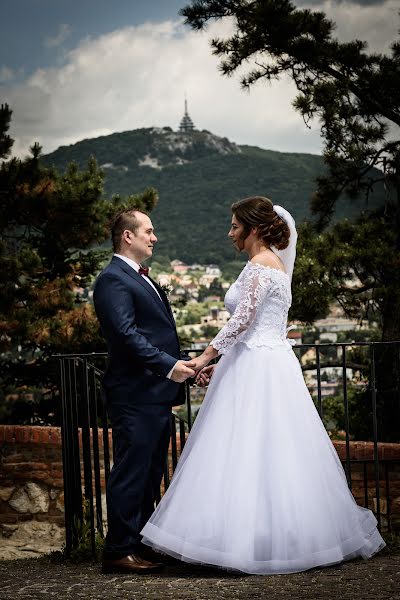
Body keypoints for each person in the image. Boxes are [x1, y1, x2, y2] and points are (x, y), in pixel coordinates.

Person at [140, 196, 386, 575]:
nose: (230, 233)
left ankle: (243, 543)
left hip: (254, 364)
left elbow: (241, 321)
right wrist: (218, 359)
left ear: (253, 229)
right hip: (268, 361)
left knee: (244, 449)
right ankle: (271, 538)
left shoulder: (259, 267)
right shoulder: (273, 266)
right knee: (272, 450)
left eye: (235, 227)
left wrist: (204, 357)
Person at [93, 208, 196, 574]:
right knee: (132, 472)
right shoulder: (112, 279)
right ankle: (118, 550)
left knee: (151, 473)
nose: (154, 238)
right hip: (134, 394)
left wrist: (187, 364)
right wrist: (170, 367)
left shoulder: (137, 276)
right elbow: (125, 335)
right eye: (148, 231)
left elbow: (156, 333)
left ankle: (138, 544)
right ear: (128, 236)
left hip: (154, 393)